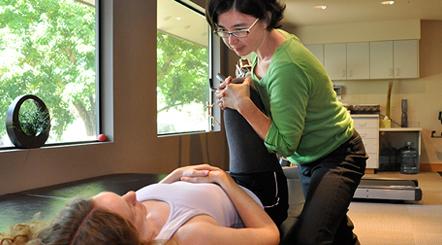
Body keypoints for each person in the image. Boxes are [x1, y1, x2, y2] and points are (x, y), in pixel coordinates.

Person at [206, 0, 368, 244]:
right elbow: (266, 84)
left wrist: (243, 105)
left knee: (309, 238)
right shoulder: (266, 46)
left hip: (339, 154)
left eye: (240, 29)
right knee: (334, 229)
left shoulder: (286, 66)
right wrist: (244, 84)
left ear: (266, 18)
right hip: (309, 158)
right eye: (223, 30)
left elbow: (284, 145)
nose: (231, 39)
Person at [2, 164, 279, 245]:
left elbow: (155, 194)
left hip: (200, 180)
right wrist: (225, 181)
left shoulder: (134, 217)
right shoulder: (187, 236)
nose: (132, 194)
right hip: (250, 194)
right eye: (130, 207)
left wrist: (177, 175)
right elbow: (270, 235)